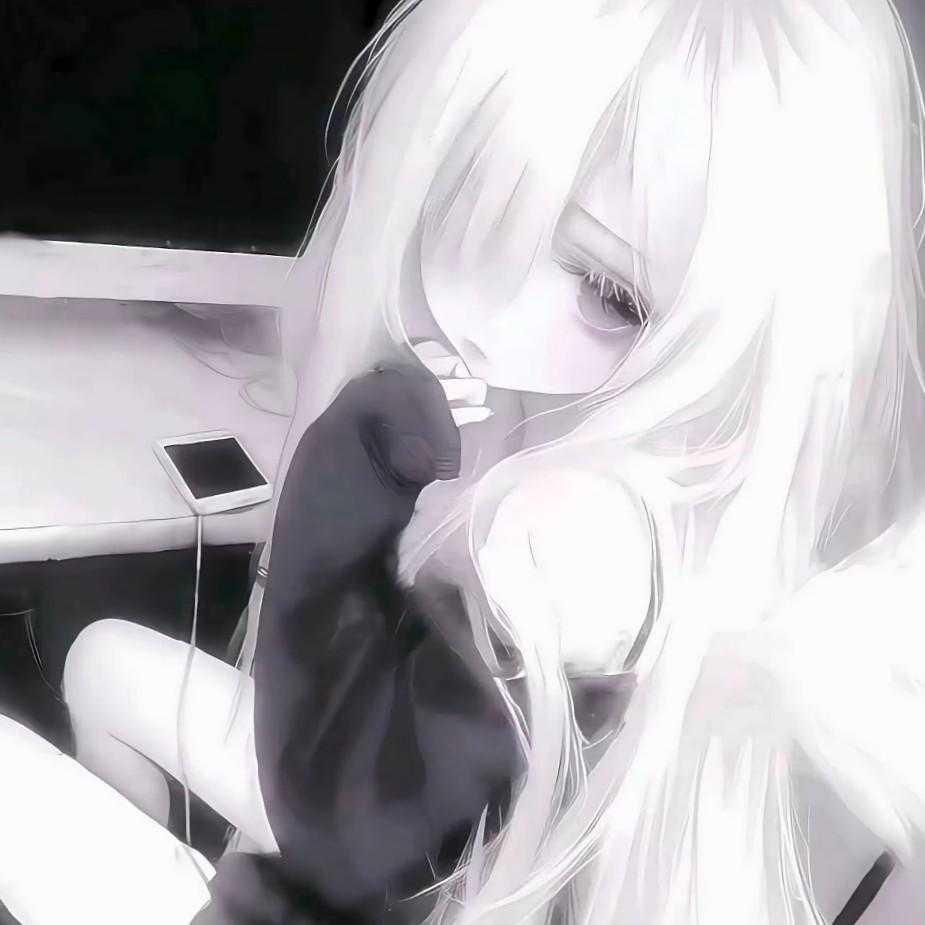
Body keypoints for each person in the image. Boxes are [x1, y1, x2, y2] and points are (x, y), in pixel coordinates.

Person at [10, 0, 925, 921]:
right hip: (376, 819)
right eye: (464, 200)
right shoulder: (566, 457)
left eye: (607, 290)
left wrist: (352, 471)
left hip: (364, 851)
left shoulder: (568, 548)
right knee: (102, 662)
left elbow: (345, 827)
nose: (478, 312)